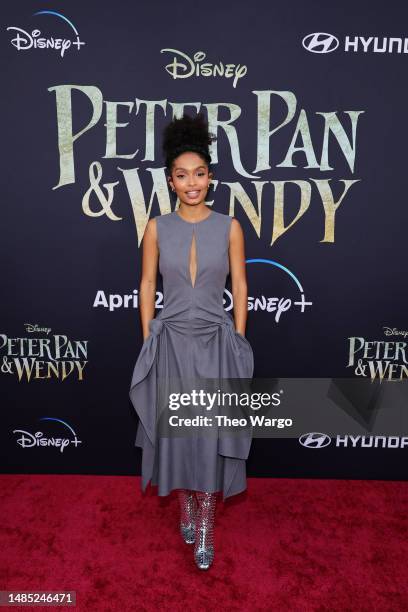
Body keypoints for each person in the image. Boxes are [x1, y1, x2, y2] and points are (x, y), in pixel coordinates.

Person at [129, 112, 254, 570]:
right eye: (182, 176)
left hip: (216, 344)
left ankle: (205, 524)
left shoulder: (231, 227)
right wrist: (149, 337)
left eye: (199, 174)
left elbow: (240, 285)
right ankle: (185, 505)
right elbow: (146, 285)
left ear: (211, 178)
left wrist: (238, 337)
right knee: (179, 434)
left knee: (208, 435)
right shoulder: (157, 227)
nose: (192, 183)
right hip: (173, 343)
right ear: (171, 180)